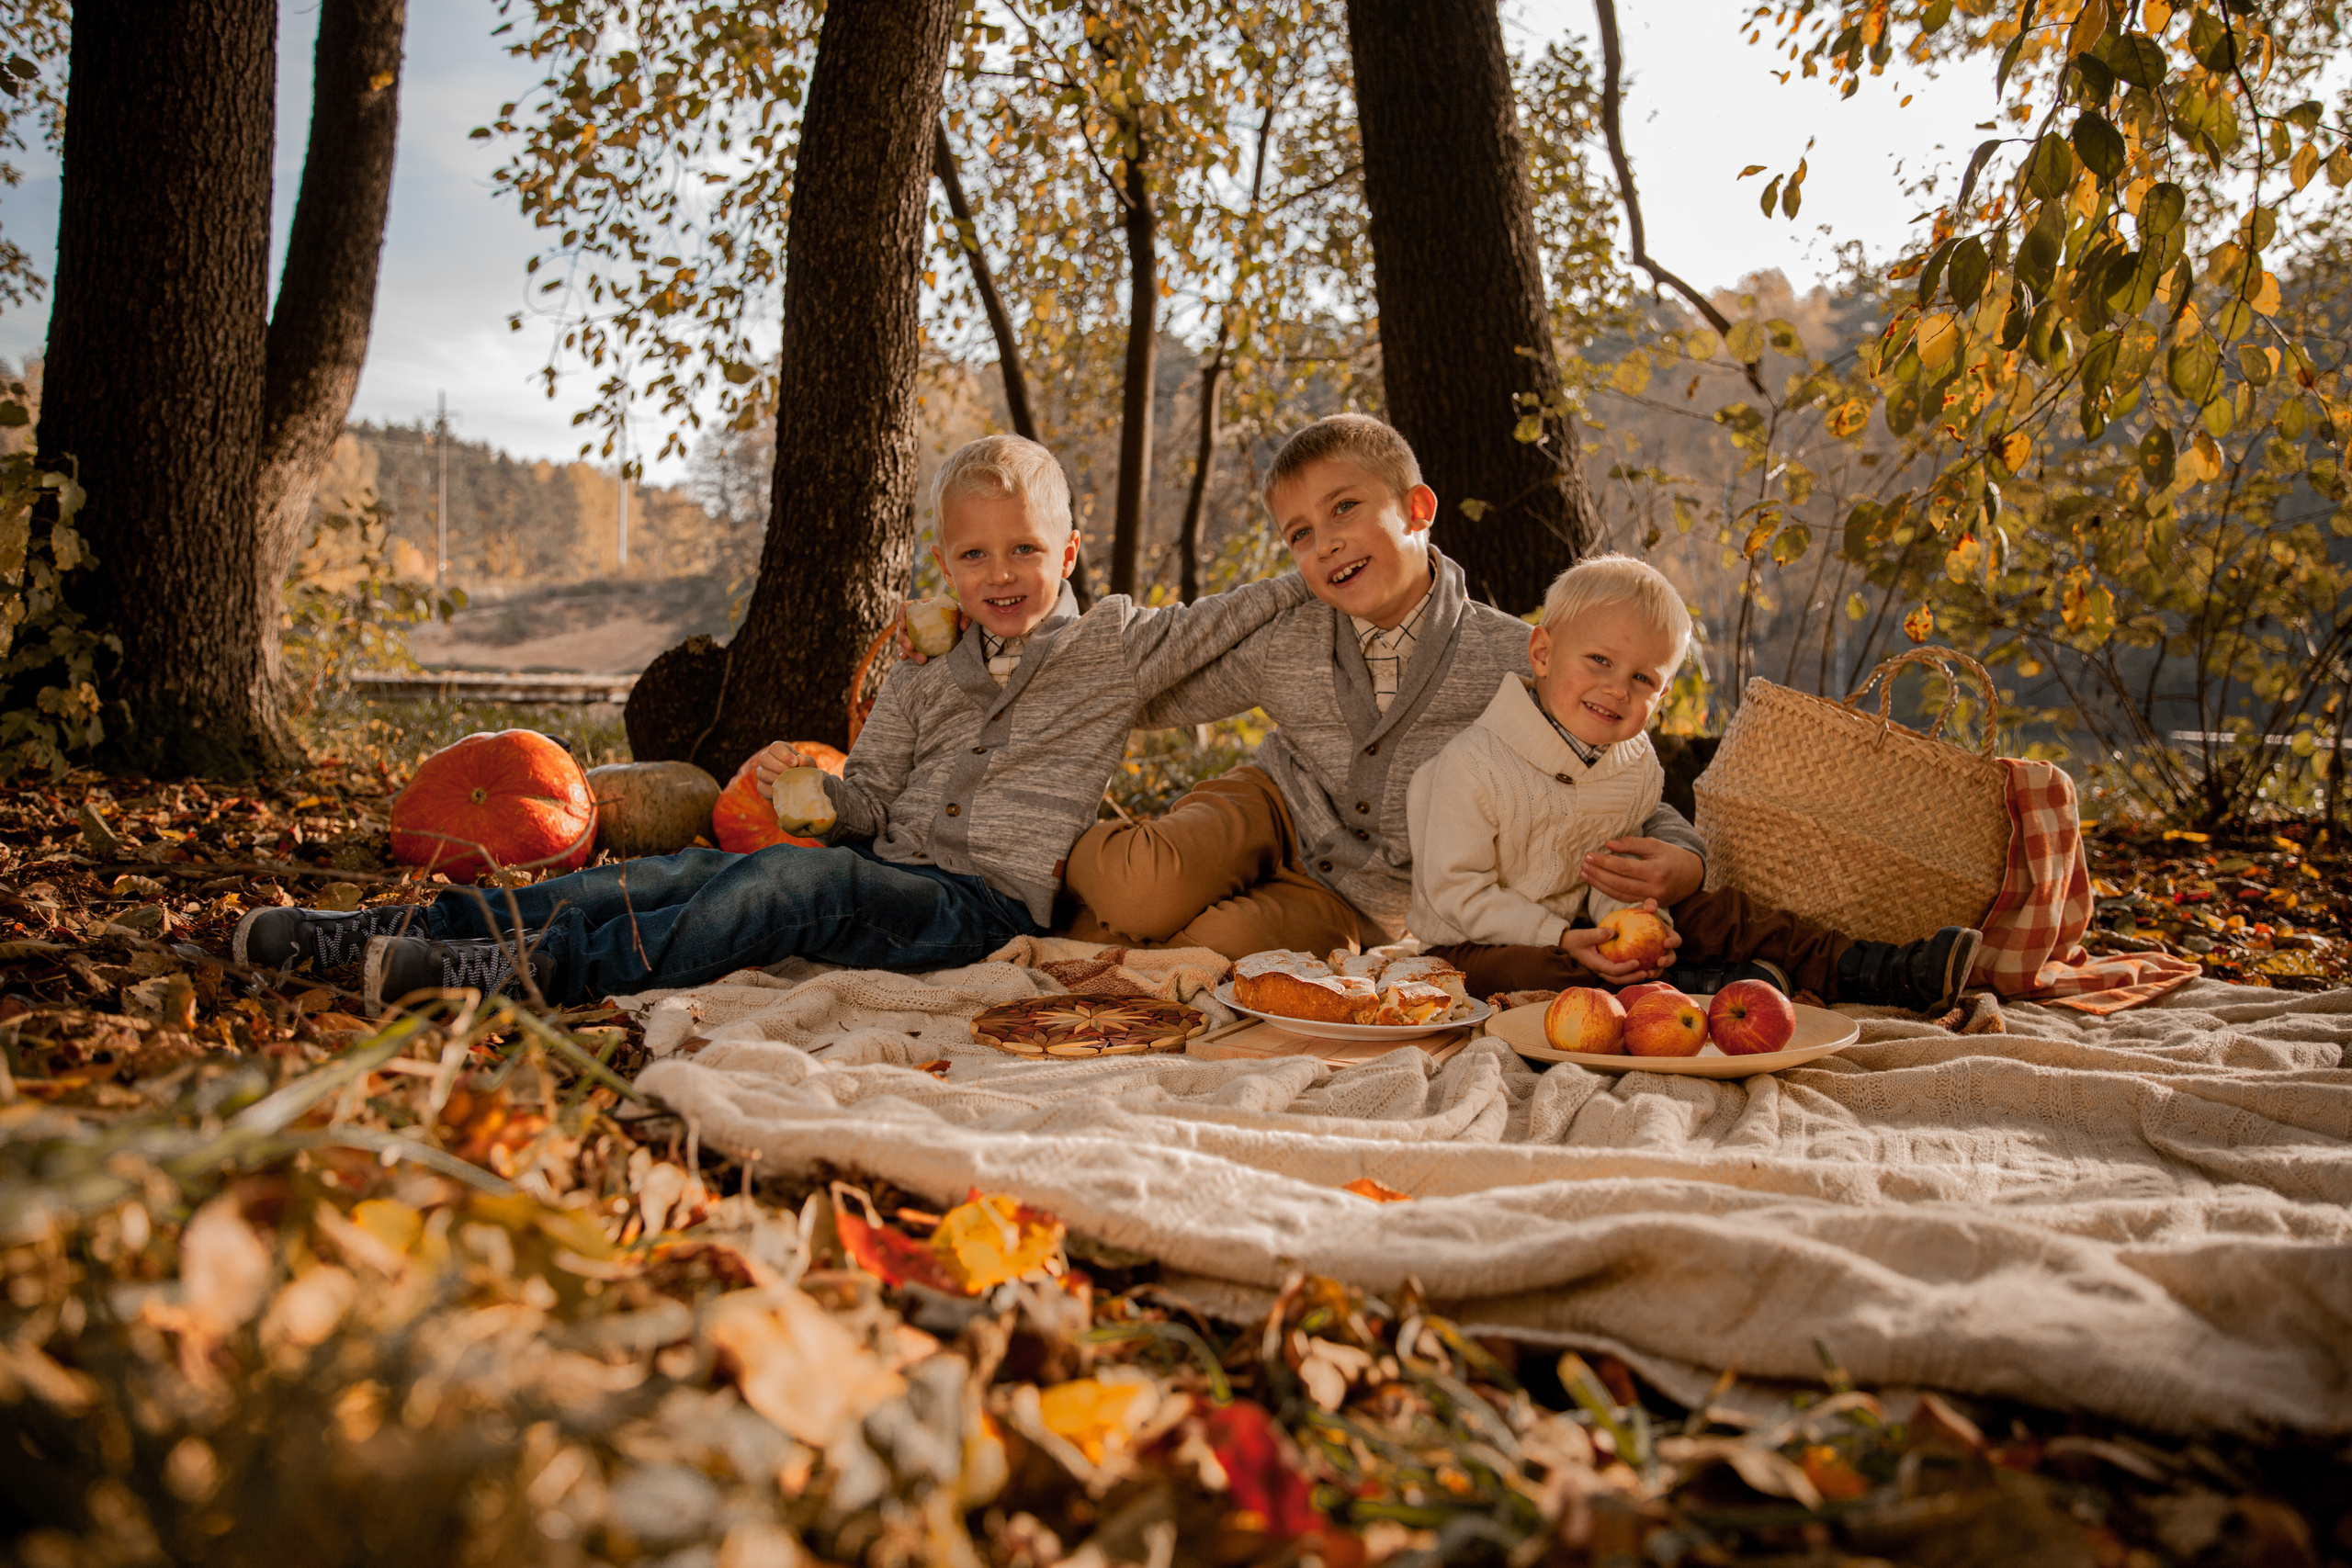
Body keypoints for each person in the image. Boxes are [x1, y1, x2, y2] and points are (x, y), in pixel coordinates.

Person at [233, 434, 1309, 1011]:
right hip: (884, 862)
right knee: (683, 871)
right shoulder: (923, 671)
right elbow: (870, 799)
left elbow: (1229, 618)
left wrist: (1320, 565)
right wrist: (817, 796)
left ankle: (533, 972)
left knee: (790, 886)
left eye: (1025, 549)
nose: (1002, 574)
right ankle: (420, 931)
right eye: (976, 554)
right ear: (944, 564)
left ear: (1066, 553)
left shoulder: (1111, 648)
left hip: (977, 908)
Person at [1057, 413, 1975, 1010]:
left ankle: (1088, 935)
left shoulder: (1519, 657)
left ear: (1418, 509)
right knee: (1141, 886)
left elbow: (1617, 782)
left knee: (1214, 951)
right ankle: (1052, 864)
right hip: (1268, 806)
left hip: (1358, 897)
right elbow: (1150, 692)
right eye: (1301, 534)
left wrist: (1687, 857)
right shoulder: (1286, 632)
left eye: (1344, 510)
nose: (1324, 543)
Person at [1405, 552, 1981, 1010]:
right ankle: (1704, 988)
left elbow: (1615, 868)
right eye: (1599, 660)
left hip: (1584, 925)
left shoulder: (1632, 764)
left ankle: (1876, 970)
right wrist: (1558, 935)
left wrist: (1642, 922)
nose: (1616, 689)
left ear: (1661, 695)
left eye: (1642, 679)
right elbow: (1459, 895)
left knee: (1721, 913)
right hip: (1474, 940)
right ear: (1542, 652)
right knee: (1542, 978)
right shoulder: (1473, 765)